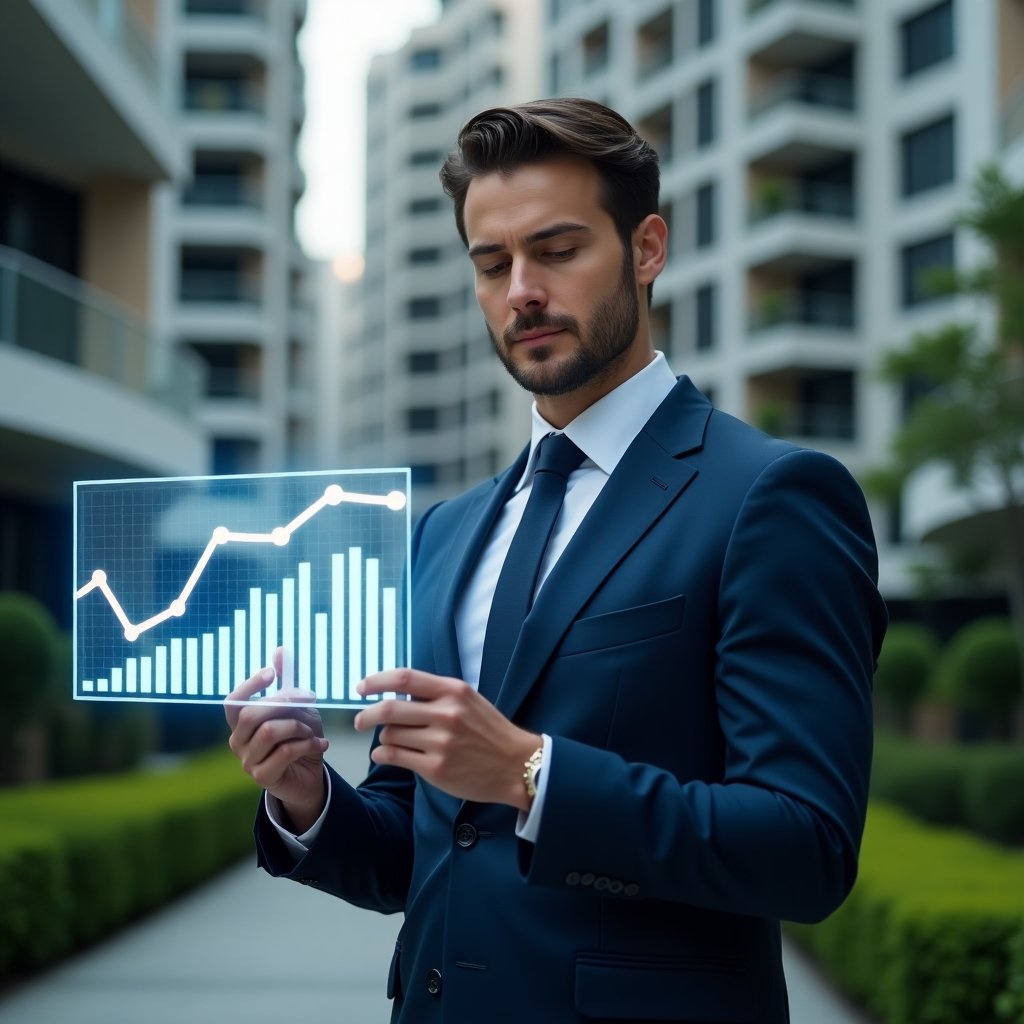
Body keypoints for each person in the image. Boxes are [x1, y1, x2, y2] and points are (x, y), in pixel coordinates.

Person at [226, 97, 887, 1023]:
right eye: (492, 264)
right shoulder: (447, 530)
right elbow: (423, 851)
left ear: (647, 249)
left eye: (558, 250)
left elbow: (806, 847)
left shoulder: (771, 496)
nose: (521, 290)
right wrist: (307, 797)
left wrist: (535, 774)